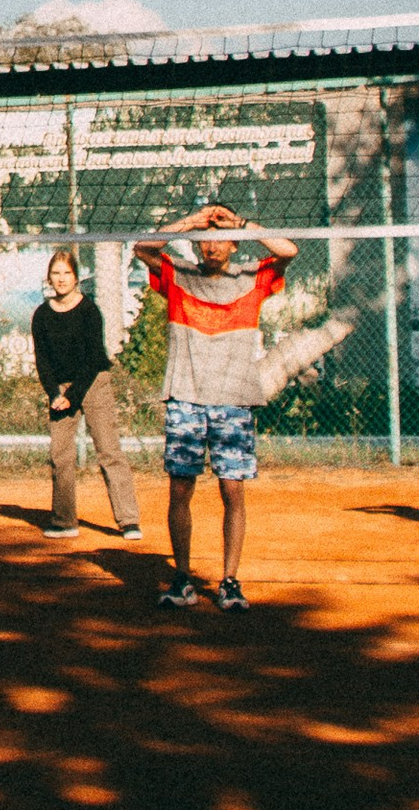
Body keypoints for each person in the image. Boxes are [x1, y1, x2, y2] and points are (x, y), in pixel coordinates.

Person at [135, 201, 296, 612]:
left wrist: (240, 224)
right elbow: (142, 248)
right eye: (205, 240)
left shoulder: (253, 278)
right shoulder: (179, 276)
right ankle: (183, 577)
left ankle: (229, 581)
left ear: (235, 244)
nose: (213, 246)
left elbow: (288, 251)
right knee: (180, 489)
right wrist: (190, 222)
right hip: (186, 397)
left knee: (232, 491)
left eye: (221, 239)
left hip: (234, 400)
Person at [30, 245, 142, 540]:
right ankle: (65, 520)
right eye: (56, 273)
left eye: (66, 273)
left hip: (92, 383)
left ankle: (129, 521)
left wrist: (73, 396)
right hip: (61, 388)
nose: (61, 279)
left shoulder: (89, 310)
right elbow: (42, 360)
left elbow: (93, 359)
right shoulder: (41, 315)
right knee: (60, 455)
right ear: (49, 278)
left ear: (77, 277)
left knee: (108, 450)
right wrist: (55, 393)